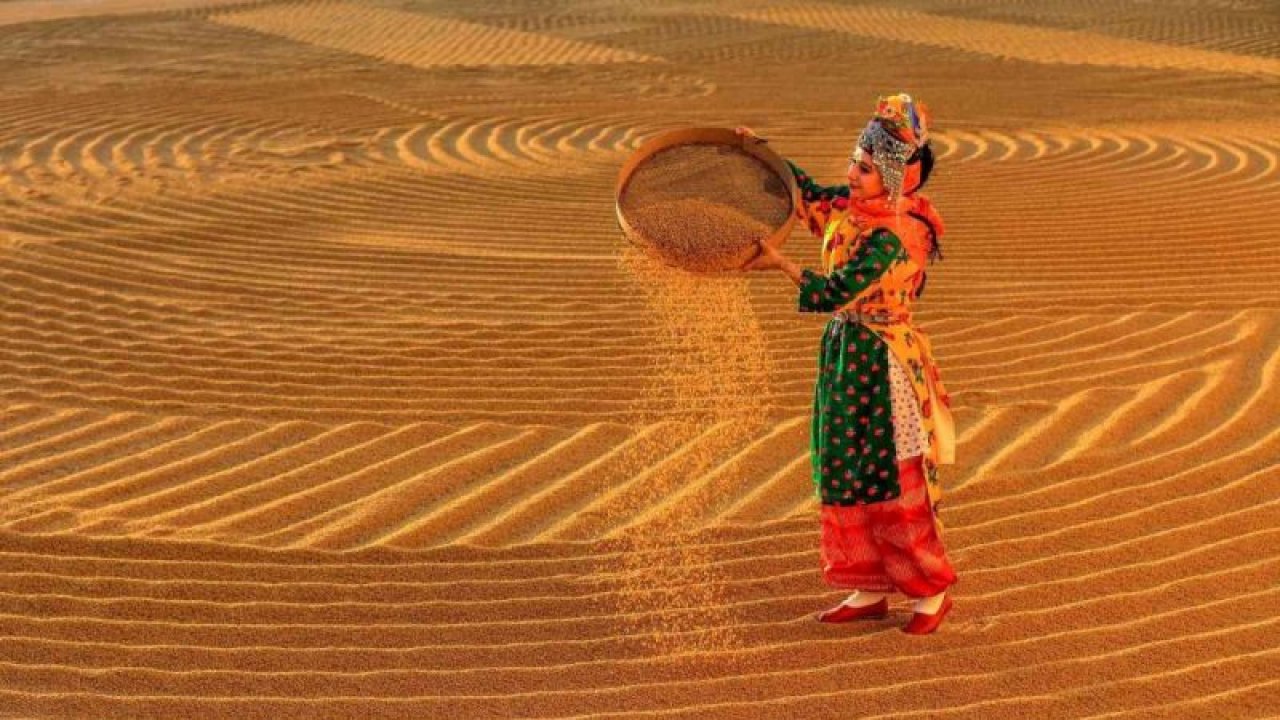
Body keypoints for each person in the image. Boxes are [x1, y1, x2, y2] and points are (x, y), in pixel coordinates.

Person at [738, 93, 959, 635]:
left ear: (895, 177)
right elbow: (808, 195)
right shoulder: (854, 209)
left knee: (893, 478)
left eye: (863, 168)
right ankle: (869, 586)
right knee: (845, 469)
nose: (851, 176)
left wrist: (782, 265)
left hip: (884, 363)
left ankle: (930, 592)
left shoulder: (898, 234)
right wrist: (761, 155)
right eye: (853, 163)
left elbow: (839, 290)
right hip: (846, 355)